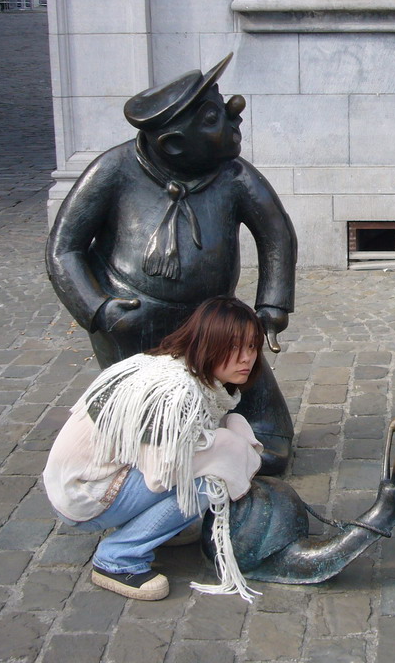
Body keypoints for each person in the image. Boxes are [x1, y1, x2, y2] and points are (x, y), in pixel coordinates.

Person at [45, 53, 297, 474]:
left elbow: (276, 235)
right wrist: (99, 308)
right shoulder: (113, 170)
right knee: (149, 418)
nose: (236, 116)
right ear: (174, 144)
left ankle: (254, 427)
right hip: (131, 320)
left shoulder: (233, 176)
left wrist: (272, 307)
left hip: (212, 315)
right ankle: (153, 446)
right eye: (215, 117)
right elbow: (63, 248)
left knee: (259, 410)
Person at [43, 297, 265, 601]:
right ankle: (117, 559)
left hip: (89, 477)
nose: (246, 358)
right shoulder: (176, 391)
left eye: (252, 346)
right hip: (84, 493)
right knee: (210, 480)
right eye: (234, 346)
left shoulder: (182, 368)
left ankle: (157, 527)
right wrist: (227, 455)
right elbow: (161, 476)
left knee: (225, 437)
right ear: (208, 343)